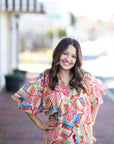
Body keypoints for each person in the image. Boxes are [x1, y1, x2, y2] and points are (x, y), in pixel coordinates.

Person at [12, 38, 105, 144]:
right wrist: (40, 124)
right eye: (65, 53)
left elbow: (96, 100)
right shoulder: (46, 78)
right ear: (58, 53)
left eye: (73, 56)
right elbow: (24, 99)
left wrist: (91, 121)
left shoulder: (85, 78)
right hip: (57, 139)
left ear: (77, 59)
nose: (68, 59)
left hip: (83, 139)